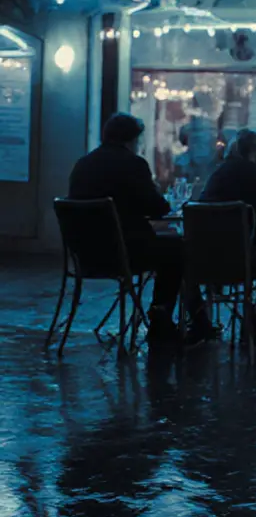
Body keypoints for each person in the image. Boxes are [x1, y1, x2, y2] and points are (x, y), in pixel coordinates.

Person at [67, 113, 214, 344]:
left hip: (85, 255)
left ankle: (192, 319)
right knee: (178, 250)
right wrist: (153, 191)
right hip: (123, 253)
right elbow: (158, 209)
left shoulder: (82, 164)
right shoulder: (133, 164)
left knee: (172, 248)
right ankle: (163, 320)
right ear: (132, 140)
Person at [198, 129, 256, 336]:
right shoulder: (255, 175)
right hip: (242, 258)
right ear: (255, 153)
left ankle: (198, 320)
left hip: (201, 259)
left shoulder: (218, 172)